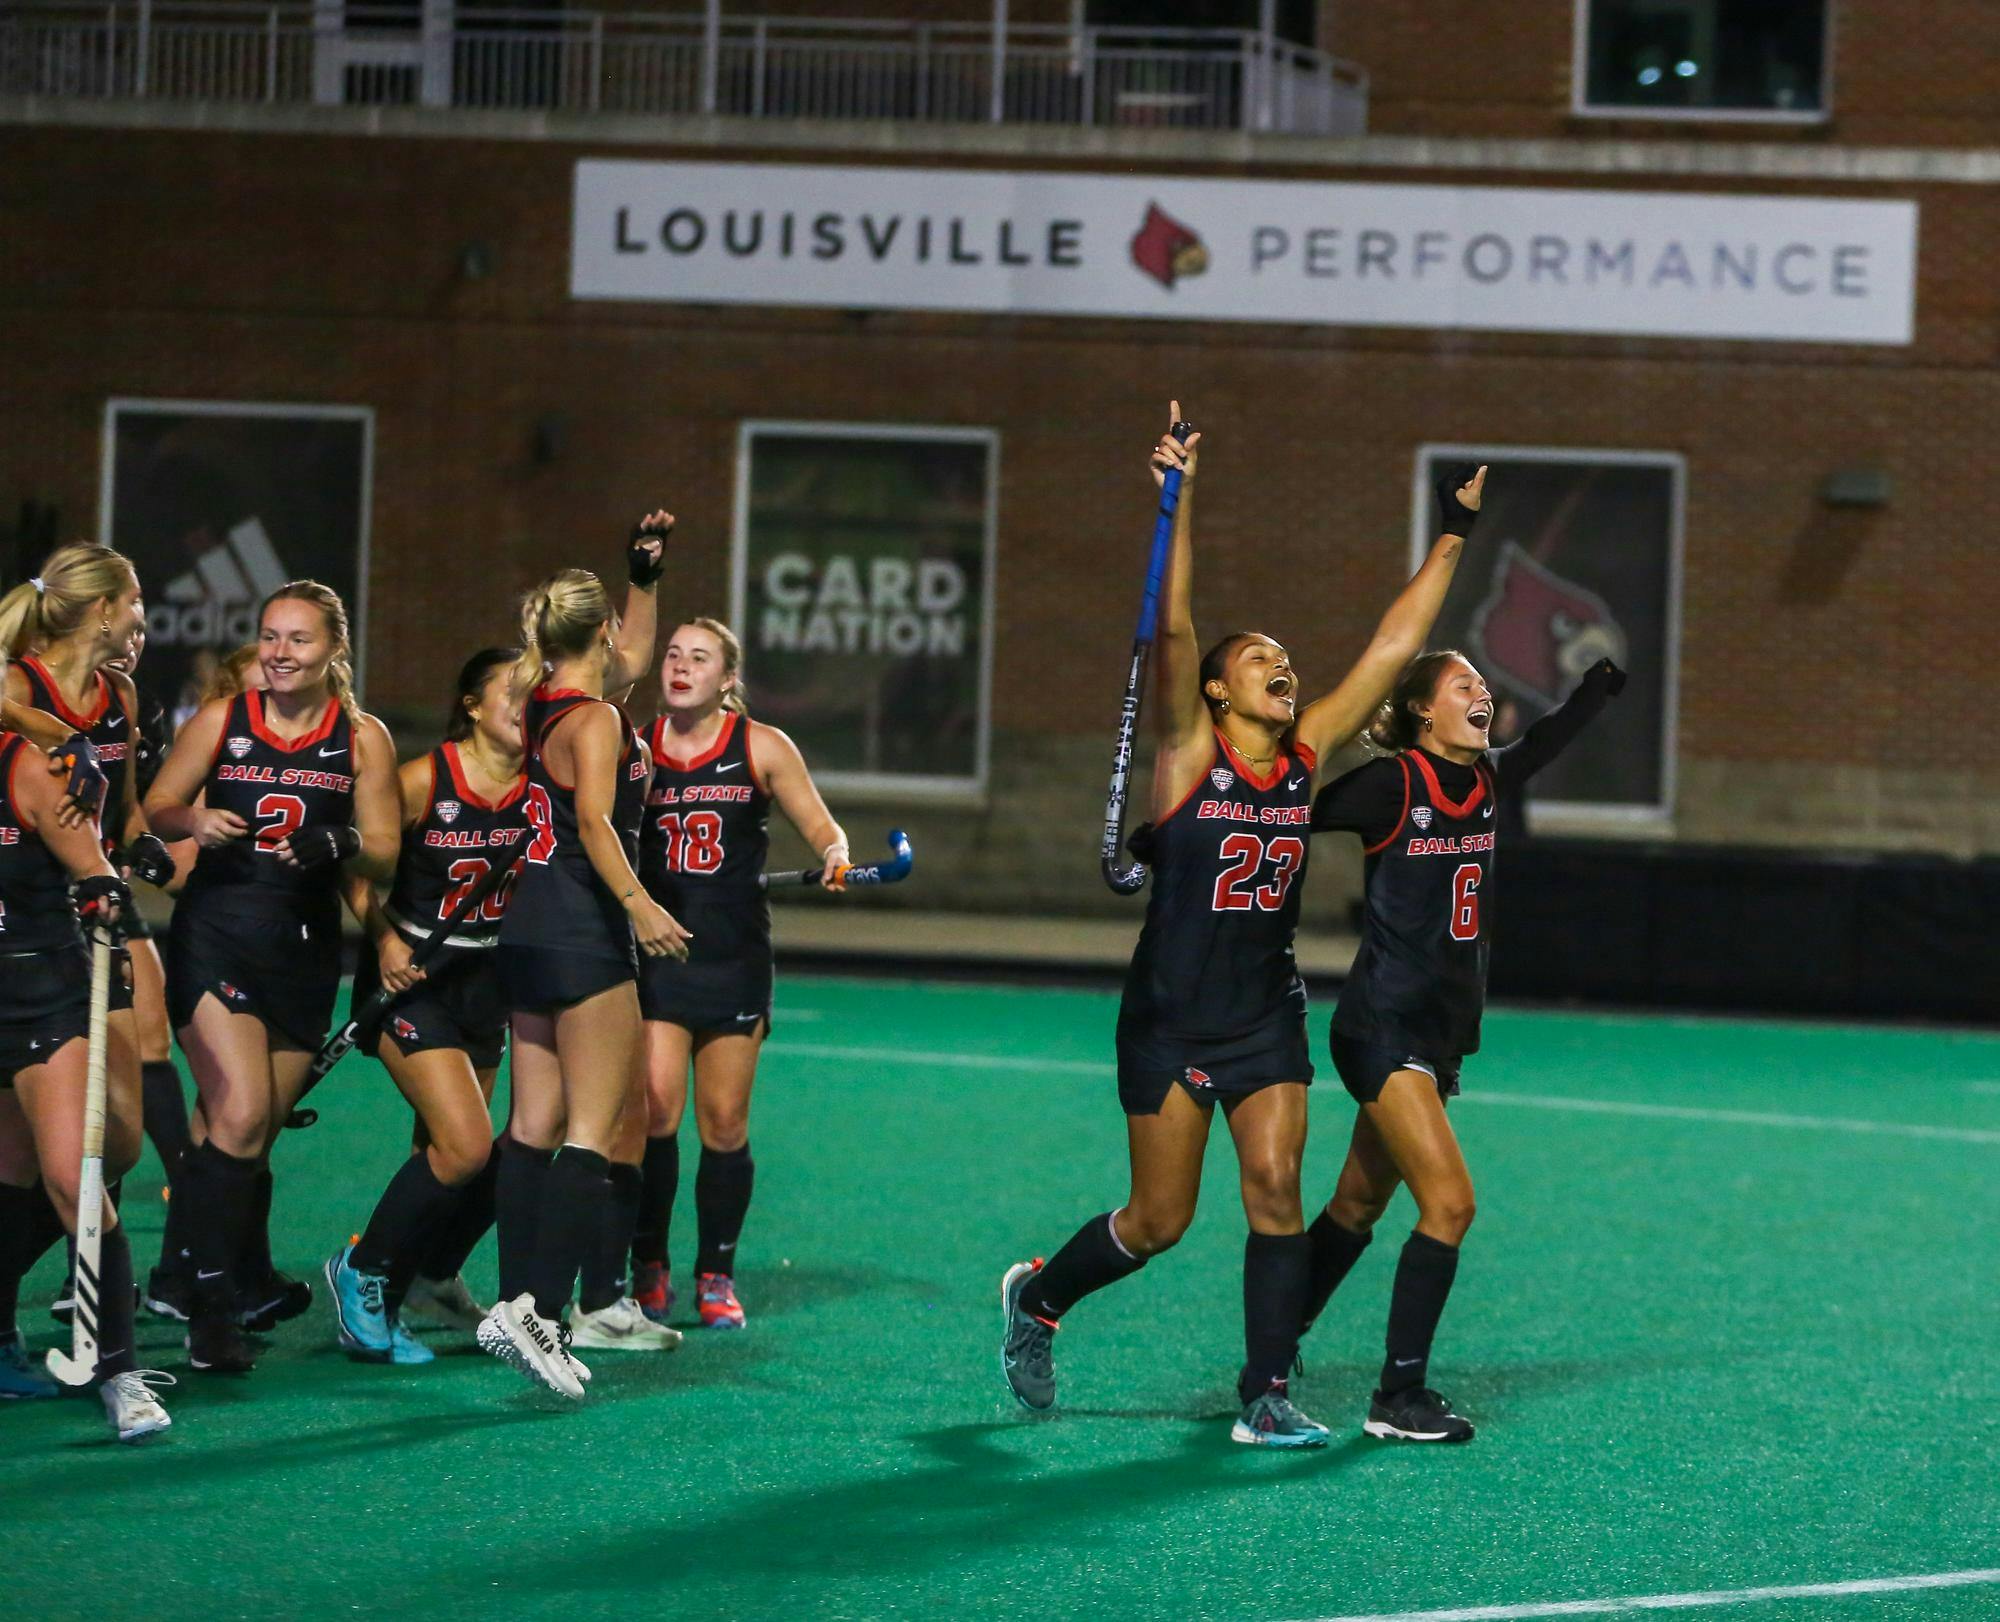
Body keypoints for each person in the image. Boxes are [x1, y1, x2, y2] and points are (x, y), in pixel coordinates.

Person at [1000, 404, 1486, 1448]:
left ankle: (1263, 1392)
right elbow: (1170, 626)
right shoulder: (1187, 750)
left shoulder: (1307, 751)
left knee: (1274, 1188)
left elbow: (1393, 641)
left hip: (1264, 1013)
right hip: (1170, 1017)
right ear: (1219, 688)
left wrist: (1451, 533)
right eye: (1259, 656)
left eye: (1285, 655)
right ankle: (1040, 1296)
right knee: (1157, 1221)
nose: (1284, 664)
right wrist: (1173, 497)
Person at [1299, 650, 1625, 1443]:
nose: (1482, 693)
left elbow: (1543, 742)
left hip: (1436, 1039)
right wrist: (1181, 838)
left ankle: (1270, 1340)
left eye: (1483, 684)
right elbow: (1287, 809)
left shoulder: (1484, 781)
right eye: (1462, 687)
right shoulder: (1391, 785)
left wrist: (1594, 691)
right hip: (1382, 1028)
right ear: (1421, 713)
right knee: (1450, 1204)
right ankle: (1398, 1397)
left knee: (1355, 1204)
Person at [143, 582, 399, 1374]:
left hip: (304, 951)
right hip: (217, 935)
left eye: (298, 639)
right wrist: (195, 821)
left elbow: (386, 849)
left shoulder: (362, 740)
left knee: (242, 1135)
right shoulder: (227, 719)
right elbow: (158, 805)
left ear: (334, 650)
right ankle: (212, 1309)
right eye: (270, 637)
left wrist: (341, 840)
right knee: (242, 1112)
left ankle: (188, 1274)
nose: (281, 653)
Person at [477, 514, 688, 1400]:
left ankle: (515, 1307)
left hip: (526, 928)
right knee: (593, 1133)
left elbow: (630, 657)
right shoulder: (596, 720)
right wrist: (640, 906)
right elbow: (597, 823)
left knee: (532, 1124)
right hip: (581, 929)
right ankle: (537, 1311)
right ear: (595, 632)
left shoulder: (545, 699)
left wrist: (642, 576)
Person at [629, 617, 849, 1332]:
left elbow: (820, 826)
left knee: (722, 1122)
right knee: (655, 1111)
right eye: (672, 655)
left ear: (728, 679)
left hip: (733, 961)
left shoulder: (760, 746)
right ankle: (649, 1264)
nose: (680, 667)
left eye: (700, 659)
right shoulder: (636, 749)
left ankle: (716, 1272)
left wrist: (835, 852)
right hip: (659, 960)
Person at [324, 648, 529, 1363]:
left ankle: (409, 1281)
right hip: (413, 981)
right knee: (468, 1143)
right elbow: (358, 871)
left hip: (486, 987)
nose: (528, 699)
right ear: (472, 704)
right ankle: (365, 1269)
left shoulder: (541, 789)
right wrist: (381, 939)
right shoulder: (422, 780)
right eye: (513, 688)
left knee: (448, 1156)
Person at [0, 625, 168, 1437]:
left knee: (75, 1178)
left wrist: (104, 891)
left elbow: (93, 865)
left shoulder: (26, 767)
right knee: (10, 1180)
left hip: (40, 993)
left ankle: (119, 1374)